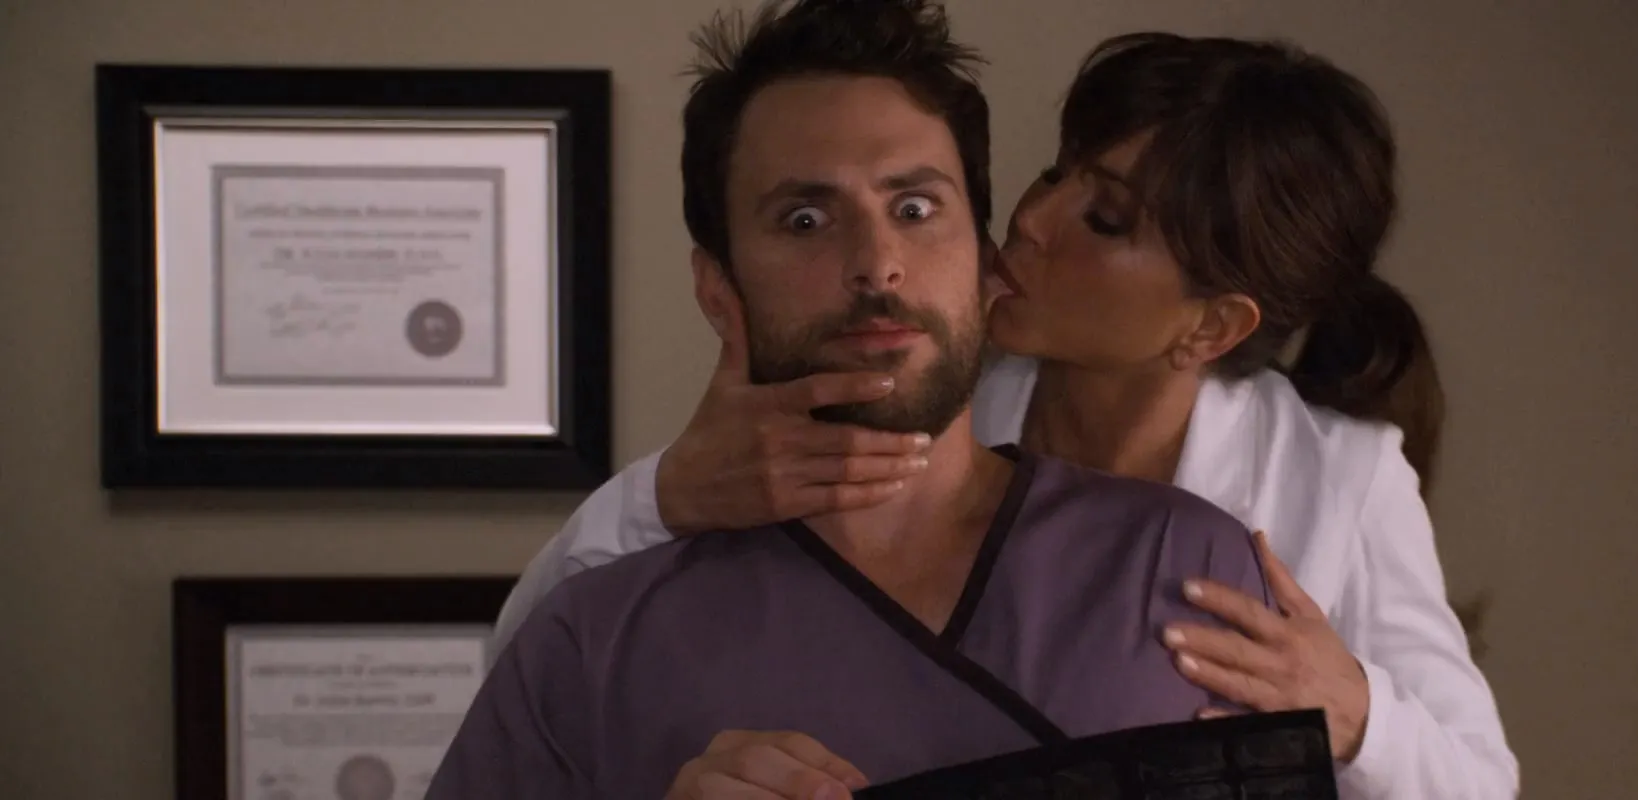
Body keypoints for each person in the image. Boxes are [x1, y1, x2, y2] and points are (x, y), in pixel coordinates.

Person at [487, 14, 1521, 800]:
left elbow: (1478, 778)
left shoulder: (1319, 488)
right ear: (718, 289)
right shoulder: (909, 407)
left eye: (1105, 218)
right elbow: (541, 669)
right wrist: (664, 495)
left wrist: (1353, 710)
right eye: (1056, 173)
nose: (1030, 220)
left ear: (1210, 326)